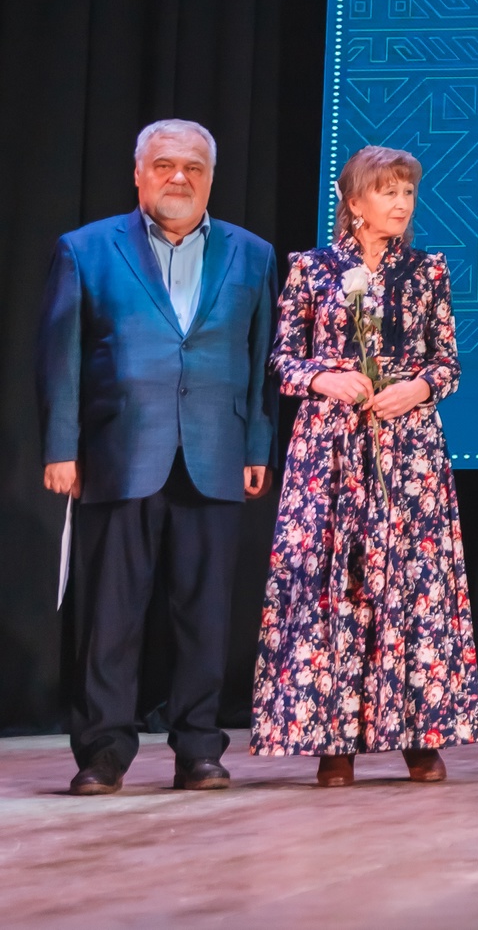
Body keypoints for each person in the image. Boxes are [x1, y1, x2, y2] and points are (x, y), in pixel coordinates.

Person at [38, 121, 276, 795]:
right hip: (117, 452)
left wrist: (257, 444)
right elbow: (59, 358)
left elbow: (262, 359)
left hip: (216, 452)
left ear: (211, 178)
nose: (179, 177)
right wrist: (61, 446)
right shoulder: (85, 249)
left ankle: (199, 748)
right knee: (110, 615)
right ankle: (102, 752)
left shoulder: (253, 254)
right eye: (165, 164)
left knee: (205, 615)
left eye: (194, 167)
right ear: (138, 173)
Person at [251, 146, 478, 785]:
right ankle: (334, 739)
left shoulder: (427, 270)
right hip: (330, 449)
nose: (402, 204)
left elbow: (448, 362)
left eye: (408, 192)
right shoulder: (311, 268)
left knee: (411, 579)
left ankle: (418, 734)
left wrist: (419, 388)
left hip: (408, 450)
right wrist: (325, 378)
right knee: (334, 582)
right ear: (354, 202)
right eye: (388, 192)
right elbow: (282, 360)